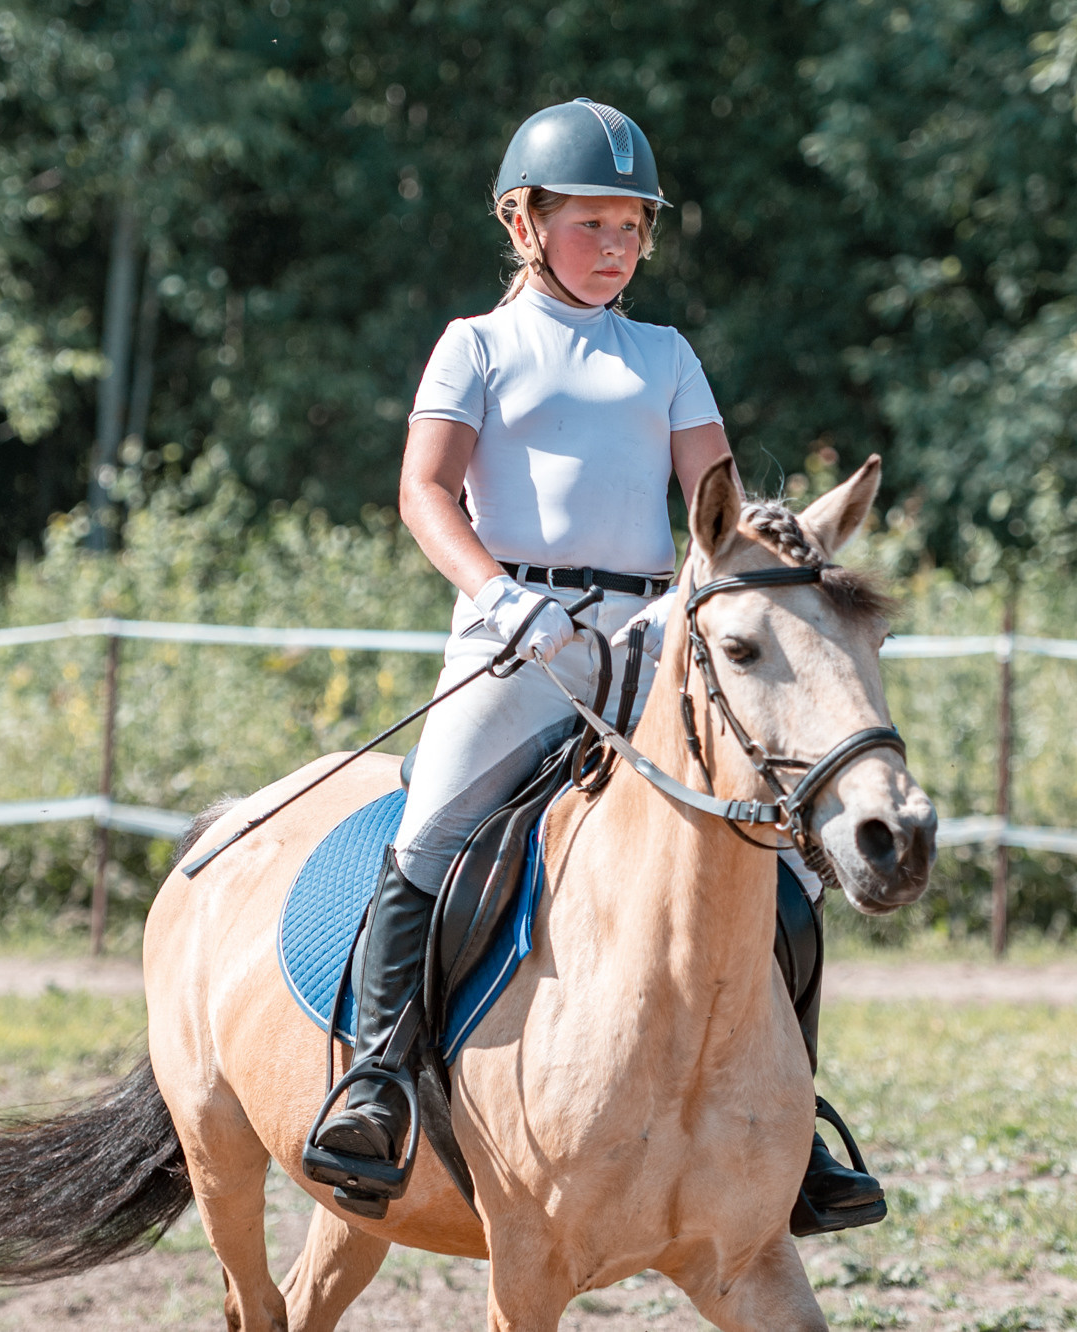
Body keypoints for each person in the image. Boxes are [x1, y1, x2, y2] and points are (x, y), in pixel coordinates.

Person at [305, 98, 884, 1233]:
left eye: (633, 228)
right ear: (522, 223)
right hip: (513, 636)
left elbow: (724, 513)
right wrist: (498, 595)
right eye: (593, 225)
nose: (618, 248)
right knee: (428, 834)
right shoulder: (474, 344)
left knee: (788, 868)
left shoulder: (664, 356)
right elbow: (424, 492)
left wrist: (791, 558)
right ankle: (374, 1082)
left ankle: (792, 1121)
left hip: (650, 642)